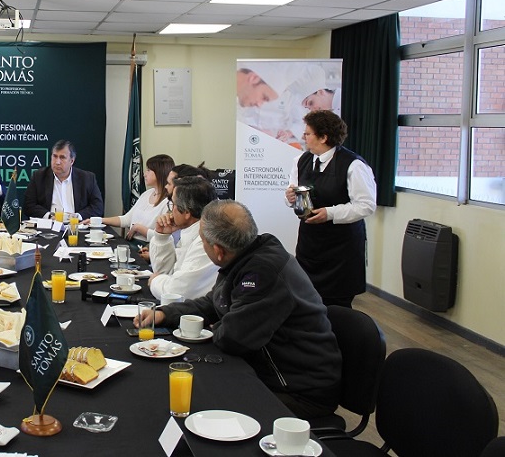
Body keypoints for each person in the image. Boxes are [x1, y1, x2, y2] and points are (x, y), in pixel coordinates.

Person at [137, 200, 341, 419]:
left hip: (297, 391)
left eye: (202, 242)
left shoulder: (263, 272)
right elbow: (213, 303)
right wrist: (166, 313)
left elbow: (234, 338)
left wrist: (219, 324)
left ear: (218, 250)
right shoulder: (246, 255)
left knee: (199, 406)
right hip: (271, 373)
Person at [285, 110, 377, 308]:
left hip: (341, 248)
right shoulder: (301, 161)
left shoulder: (354, 165)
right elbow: (294, 193)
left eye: (308, 133)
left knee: (337, 305)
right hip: (310, 244)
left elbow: (366, 205)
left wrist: (330, 213)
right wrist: (290, 198)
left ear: (324, 137)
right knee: (307, 299)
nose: (304, 137)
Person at [147, 177, 218, 302]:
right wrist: (162, 237)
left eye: (173, 204)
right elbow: (166, 272)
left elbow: (176, 293)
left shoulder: (206, 241)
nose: (170, 210)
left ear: (186, 212)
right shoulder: (190, 231)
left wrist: (155, 281)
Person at [100, 154, 174, 243]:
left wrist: (139, 228)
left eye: (148, 170)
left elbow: (164, 237)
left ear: (159, 173)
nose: (144, 174)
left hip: (148, 247)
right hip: (132, 242)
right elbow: (126, 219)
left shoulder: (169, 203)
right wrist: (99, 220)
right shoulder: (147, 194)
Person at [23, 140, 104, 220]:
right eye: (55, 156)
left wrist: (76, 217)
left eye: (62, 157)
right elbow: (28, 206)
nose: (57, 162)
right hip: (48, 228)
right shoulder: (39, 176)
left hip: (78, 226)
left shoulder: (87, 178)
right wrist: (50, 216)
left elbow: (98, 207)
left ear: (72, 161)